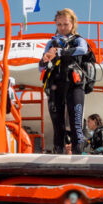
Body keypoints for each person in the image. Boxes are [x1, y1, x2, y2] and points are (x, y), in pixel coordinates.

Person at [40, 8, 90, 155]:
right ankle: (58, 153)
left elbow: (82, 50)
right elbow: (40, 65)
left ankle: (78, 152)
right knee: (57, 125)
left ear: (73, 23)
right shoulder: (51, 43)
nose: (62, 28)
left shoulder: (78, 40)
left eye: (65, 24)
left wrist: (60, 52)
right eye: (59, 24)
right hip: (55, 85)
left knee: (76, 123)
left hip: (74, 84)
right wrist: (45, 60)